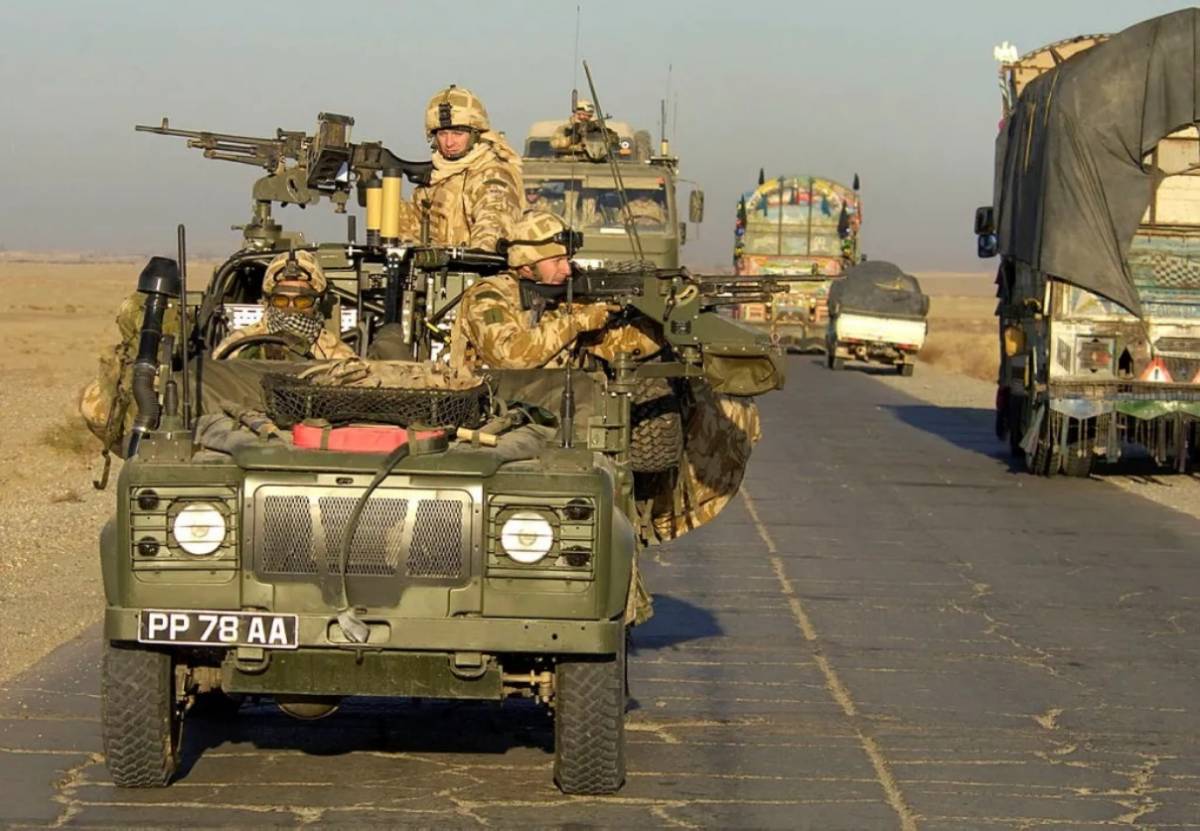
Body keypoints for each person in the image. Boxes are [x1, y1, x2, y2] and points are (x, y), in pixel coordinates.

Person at [450, 211, 615, 370]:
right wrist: (575, 323)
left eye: (567, 259)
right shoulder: (488, 296)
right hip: (497, 395)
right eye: (557, 261)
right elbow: (509, 357)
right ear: (527, 266)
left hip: (562, 394)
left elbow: (616, 346)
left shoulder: (564, 294)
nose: (567, 270)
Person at [406, 85, 523, 252]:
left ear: (475, 134)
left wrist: (478, 253)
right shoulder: (435, 178)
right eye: (442, 134)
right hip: (435, 273)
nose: (449, 142)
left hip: (481, 272)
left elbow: (493, 223)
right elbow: (412, 232)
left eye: (457, 134)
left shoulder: (492, 174)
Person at [215, 250, 355, 360]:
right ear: (269, 302)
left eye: (302, 301)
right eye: (281, 301)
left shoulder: (336, 354)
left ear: (316, 304)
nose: (291, 309)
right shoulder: (238, 346)